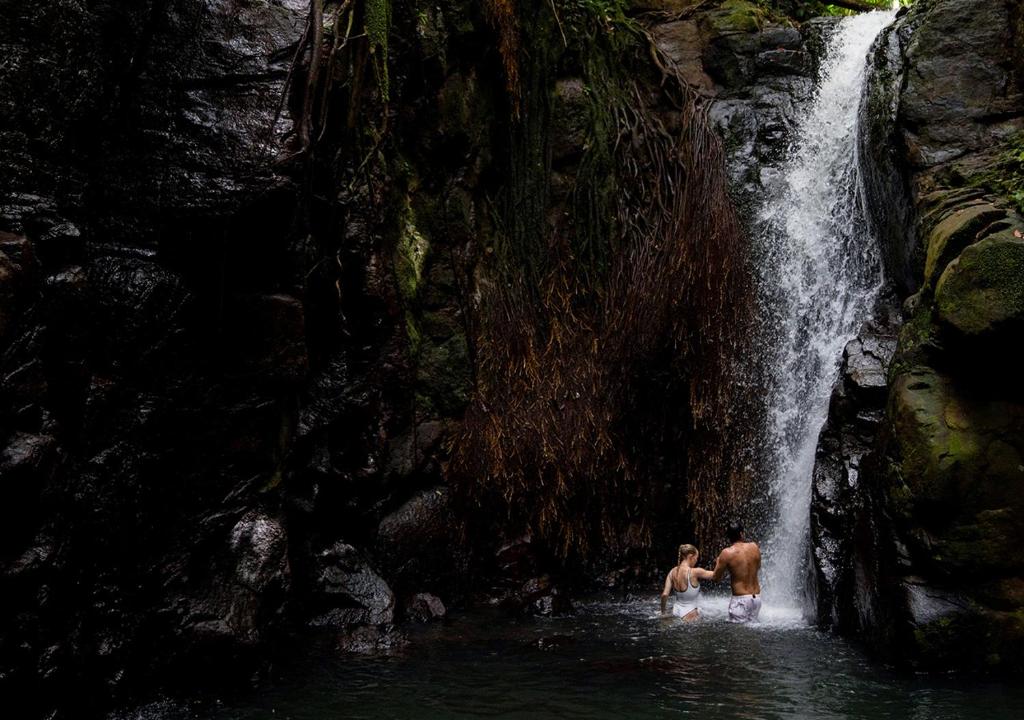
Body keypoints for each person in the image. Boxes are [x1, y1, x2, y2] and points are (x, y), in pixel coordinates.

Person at [710, 521, 762, 623]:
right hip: (756, 599)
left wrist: (717, 563)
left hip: (740, 600)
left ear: (728, 537)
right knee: (752, 630)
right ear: (741, 533)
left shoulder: (726, 553)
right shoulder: (754, 547)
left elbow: (716, 578)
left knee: (738, 632)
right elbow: (758, 566)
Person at [660, 543, 716, 621]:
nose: (696, 560)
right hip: (690, 612)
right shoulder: (695, 572)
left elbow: (664, 595)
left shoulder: (672, 572)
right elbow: (716, 575)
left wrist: (663, 613)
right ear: (690, 556)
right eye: (696, 558)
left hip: (676, 611)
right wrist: (722, 562)